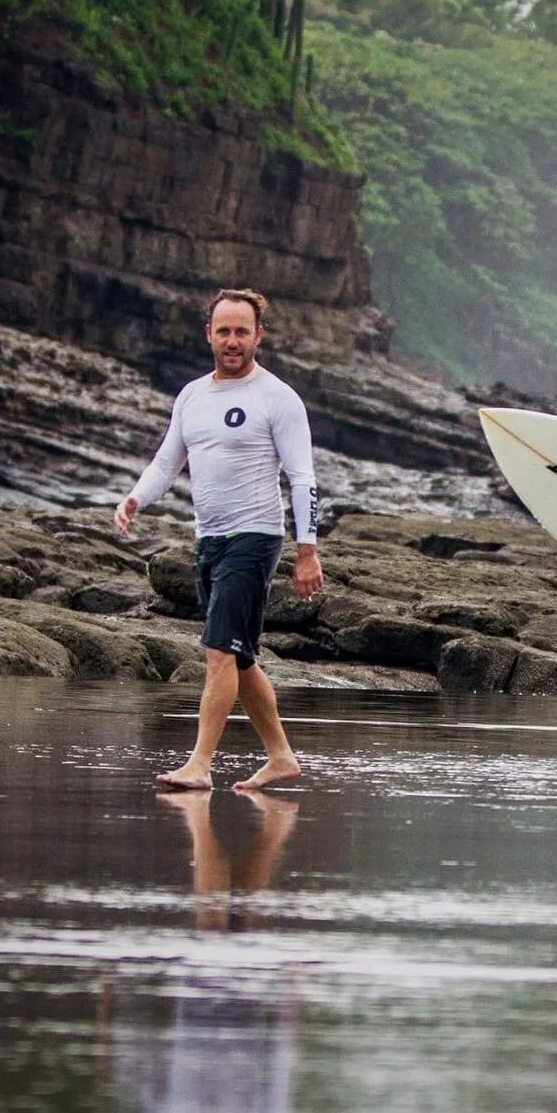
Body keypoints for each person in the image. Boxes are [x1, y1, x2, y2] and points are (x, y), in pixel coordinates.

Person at [115, 287, 324, 790]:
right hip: (208, 540)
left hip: (254, 538)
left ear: (259, 336)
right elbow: (168, 462)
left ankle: (200, 765)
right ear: (209, 334)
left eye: (242, 332)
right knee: (242, 656)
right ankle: (280, 757)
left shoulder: (277, 398)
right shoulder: (192, 395)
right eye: (224, 331)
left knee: (219, 653)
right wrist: (136, 499)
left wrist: (307, 550)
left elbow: (303, 478)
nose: (233, 341)